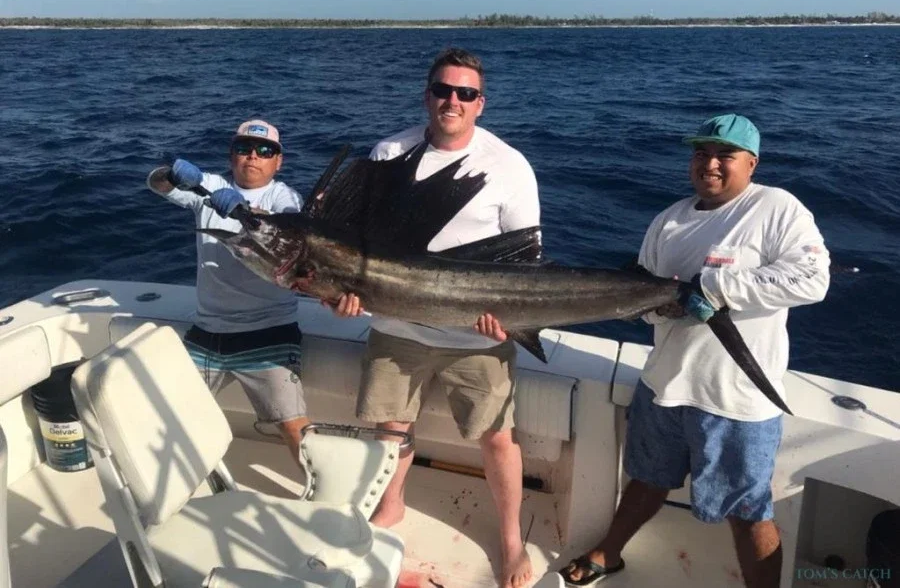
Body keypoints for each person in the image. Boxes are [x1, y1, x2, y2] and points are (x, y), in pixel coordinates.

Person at [558, 113, 830, 588]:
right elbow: (642, 299)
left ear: (752, 162)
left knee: (747, 511)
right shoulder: (669, 219)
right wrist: (656, 308)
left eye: (725, 155)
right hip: (664, 386)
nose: (711, 163)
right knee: (646, 480)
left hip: (735, 400)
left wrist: (714, 286)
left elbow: (812, 280)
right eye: (702, 153)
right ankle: (608, 553)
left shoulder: (776, 207)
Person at [330, 48, 540, 588]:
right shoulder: (390, 152)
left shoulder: (509, 165)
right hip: (396, 326)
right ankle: (391, 505)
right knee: (391, 428)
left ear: (480, 103)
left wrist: (509, 317)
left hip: (477, 334)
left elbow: (527, 264)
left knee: (497, 438)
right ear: (427, 96)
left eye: (465, 93)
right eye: (443, 90)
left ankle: (511, 539)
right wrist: (340, 296)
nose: (453, 101)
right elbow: (355, 249)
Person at [147, 119, 310, 468]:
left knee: (292, 425)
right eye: (244, 148)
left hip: (269, 331)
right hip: (208, 332)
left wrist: (244, 211)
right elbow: (156, 184)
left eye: (265, 150)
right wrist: (171, 174)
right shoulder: (211, 187)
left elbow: (289, 227)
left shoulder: (285, 197)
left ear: (278, 161)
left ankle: (324, 489)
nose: (253, 156)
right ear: (231, 155)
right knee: (167, 413)